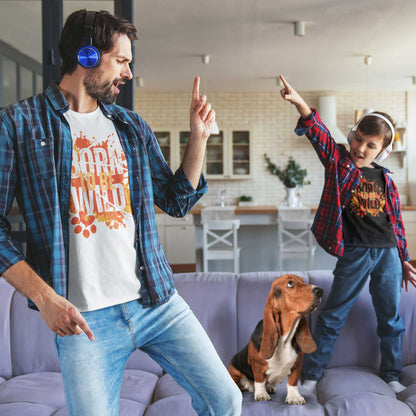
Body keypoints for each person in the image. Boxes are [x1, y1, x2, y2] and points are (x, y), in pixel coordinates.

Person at [0, 9, 242, 416]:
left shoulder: (130, 126)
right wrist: (44, 298)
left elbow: (177, 200)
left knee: (225, 400)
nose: (128, 73)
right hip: (84, 321)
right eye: (123, 61)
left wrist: (198, 138)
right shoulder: (18, 125)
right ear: (89, 57)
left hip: (157, 303)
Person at [279, 75, 416, 395]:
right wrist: (300, 104)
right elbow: (321, 136)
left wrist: (404, 258)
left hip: (387, 255)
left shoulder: (388, 181)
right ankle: (312, 376)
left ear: (382, 150)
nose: (361, 148)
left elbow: (396, 224)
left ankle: (392, 374)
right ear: (353, 136)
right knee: (332, 316)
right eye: (359, 139)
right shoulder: (340, 163)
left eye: (371, 145)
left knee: (390, 319)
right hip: (355, 251)